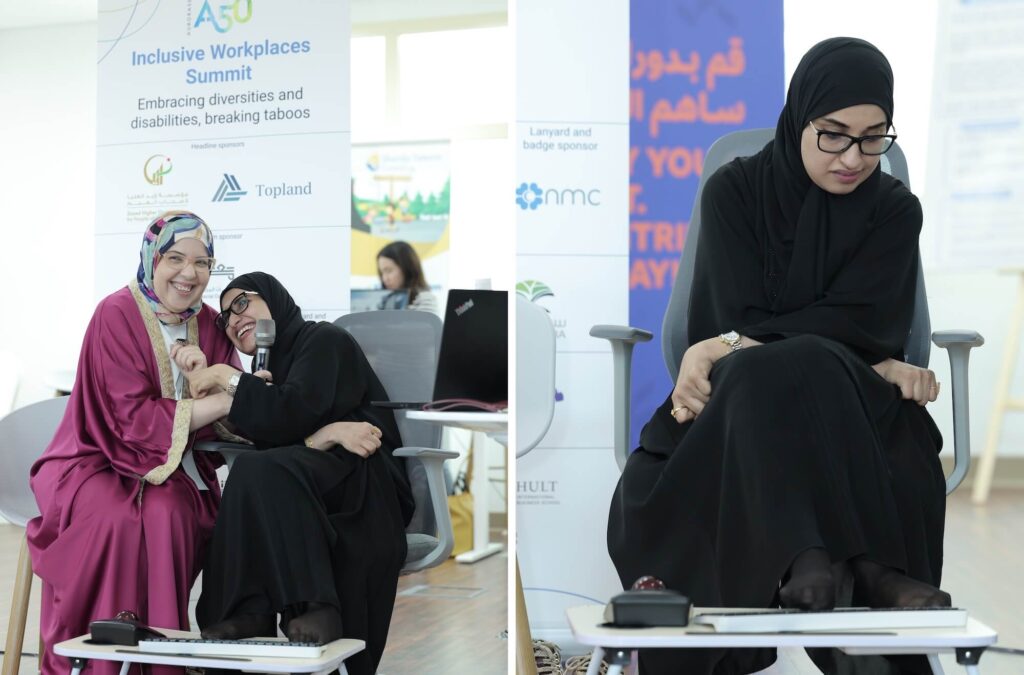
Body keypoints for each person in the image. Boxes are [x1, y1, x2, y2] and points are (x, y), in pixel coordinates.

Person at [607, 38, 949, 675]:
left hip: (848, 402)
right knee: (777, 368)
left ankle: (808, 562)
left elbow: (865, 320)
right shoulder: (734, 191)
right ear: (800, 117)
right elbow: (747, 319)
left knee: (788, 362)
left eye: (875, 138)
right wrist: (853, 356)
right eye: (834, 135)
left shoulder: (896, 210)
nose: (854, 158)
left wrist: (730, 345)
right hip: (749, 404)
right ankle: (870, 571)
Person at [27, 211, 241, 675]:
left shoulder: (210, 325)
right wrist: (220, 399)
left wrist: (207, 380)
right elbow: (130, 420)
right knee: (111, 519)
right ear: (151, 258)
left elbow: (240, 416)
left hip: (178, 473)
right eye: (176, 258)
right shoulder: (116, 313)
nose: (189, 273)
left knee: (167, 514)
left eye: (202, 262)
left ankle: (161, 664)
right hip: (94, 461)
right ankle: (93, 662)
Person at [186, 272, 414, 675]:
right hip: (303, 484)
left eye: (243, 303)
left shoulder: (323, 339)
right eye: (224, 318)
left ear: (276, 300)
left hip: (361, 477)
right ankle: (254, 612)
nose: (234, 319)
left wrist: (226, 376)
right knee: (256, 472)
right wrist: (322, 434)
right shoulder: (264, 376)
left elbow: (292, 413)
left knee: (264, 470)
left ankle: (311, 606)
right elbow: (281, 437)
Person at [376, 240, 439, 312]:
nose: (384, 278)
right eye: (382, 273)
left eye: (389, 271)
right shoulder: (386, 301)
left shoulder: (425, 299)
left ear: (406, 268)